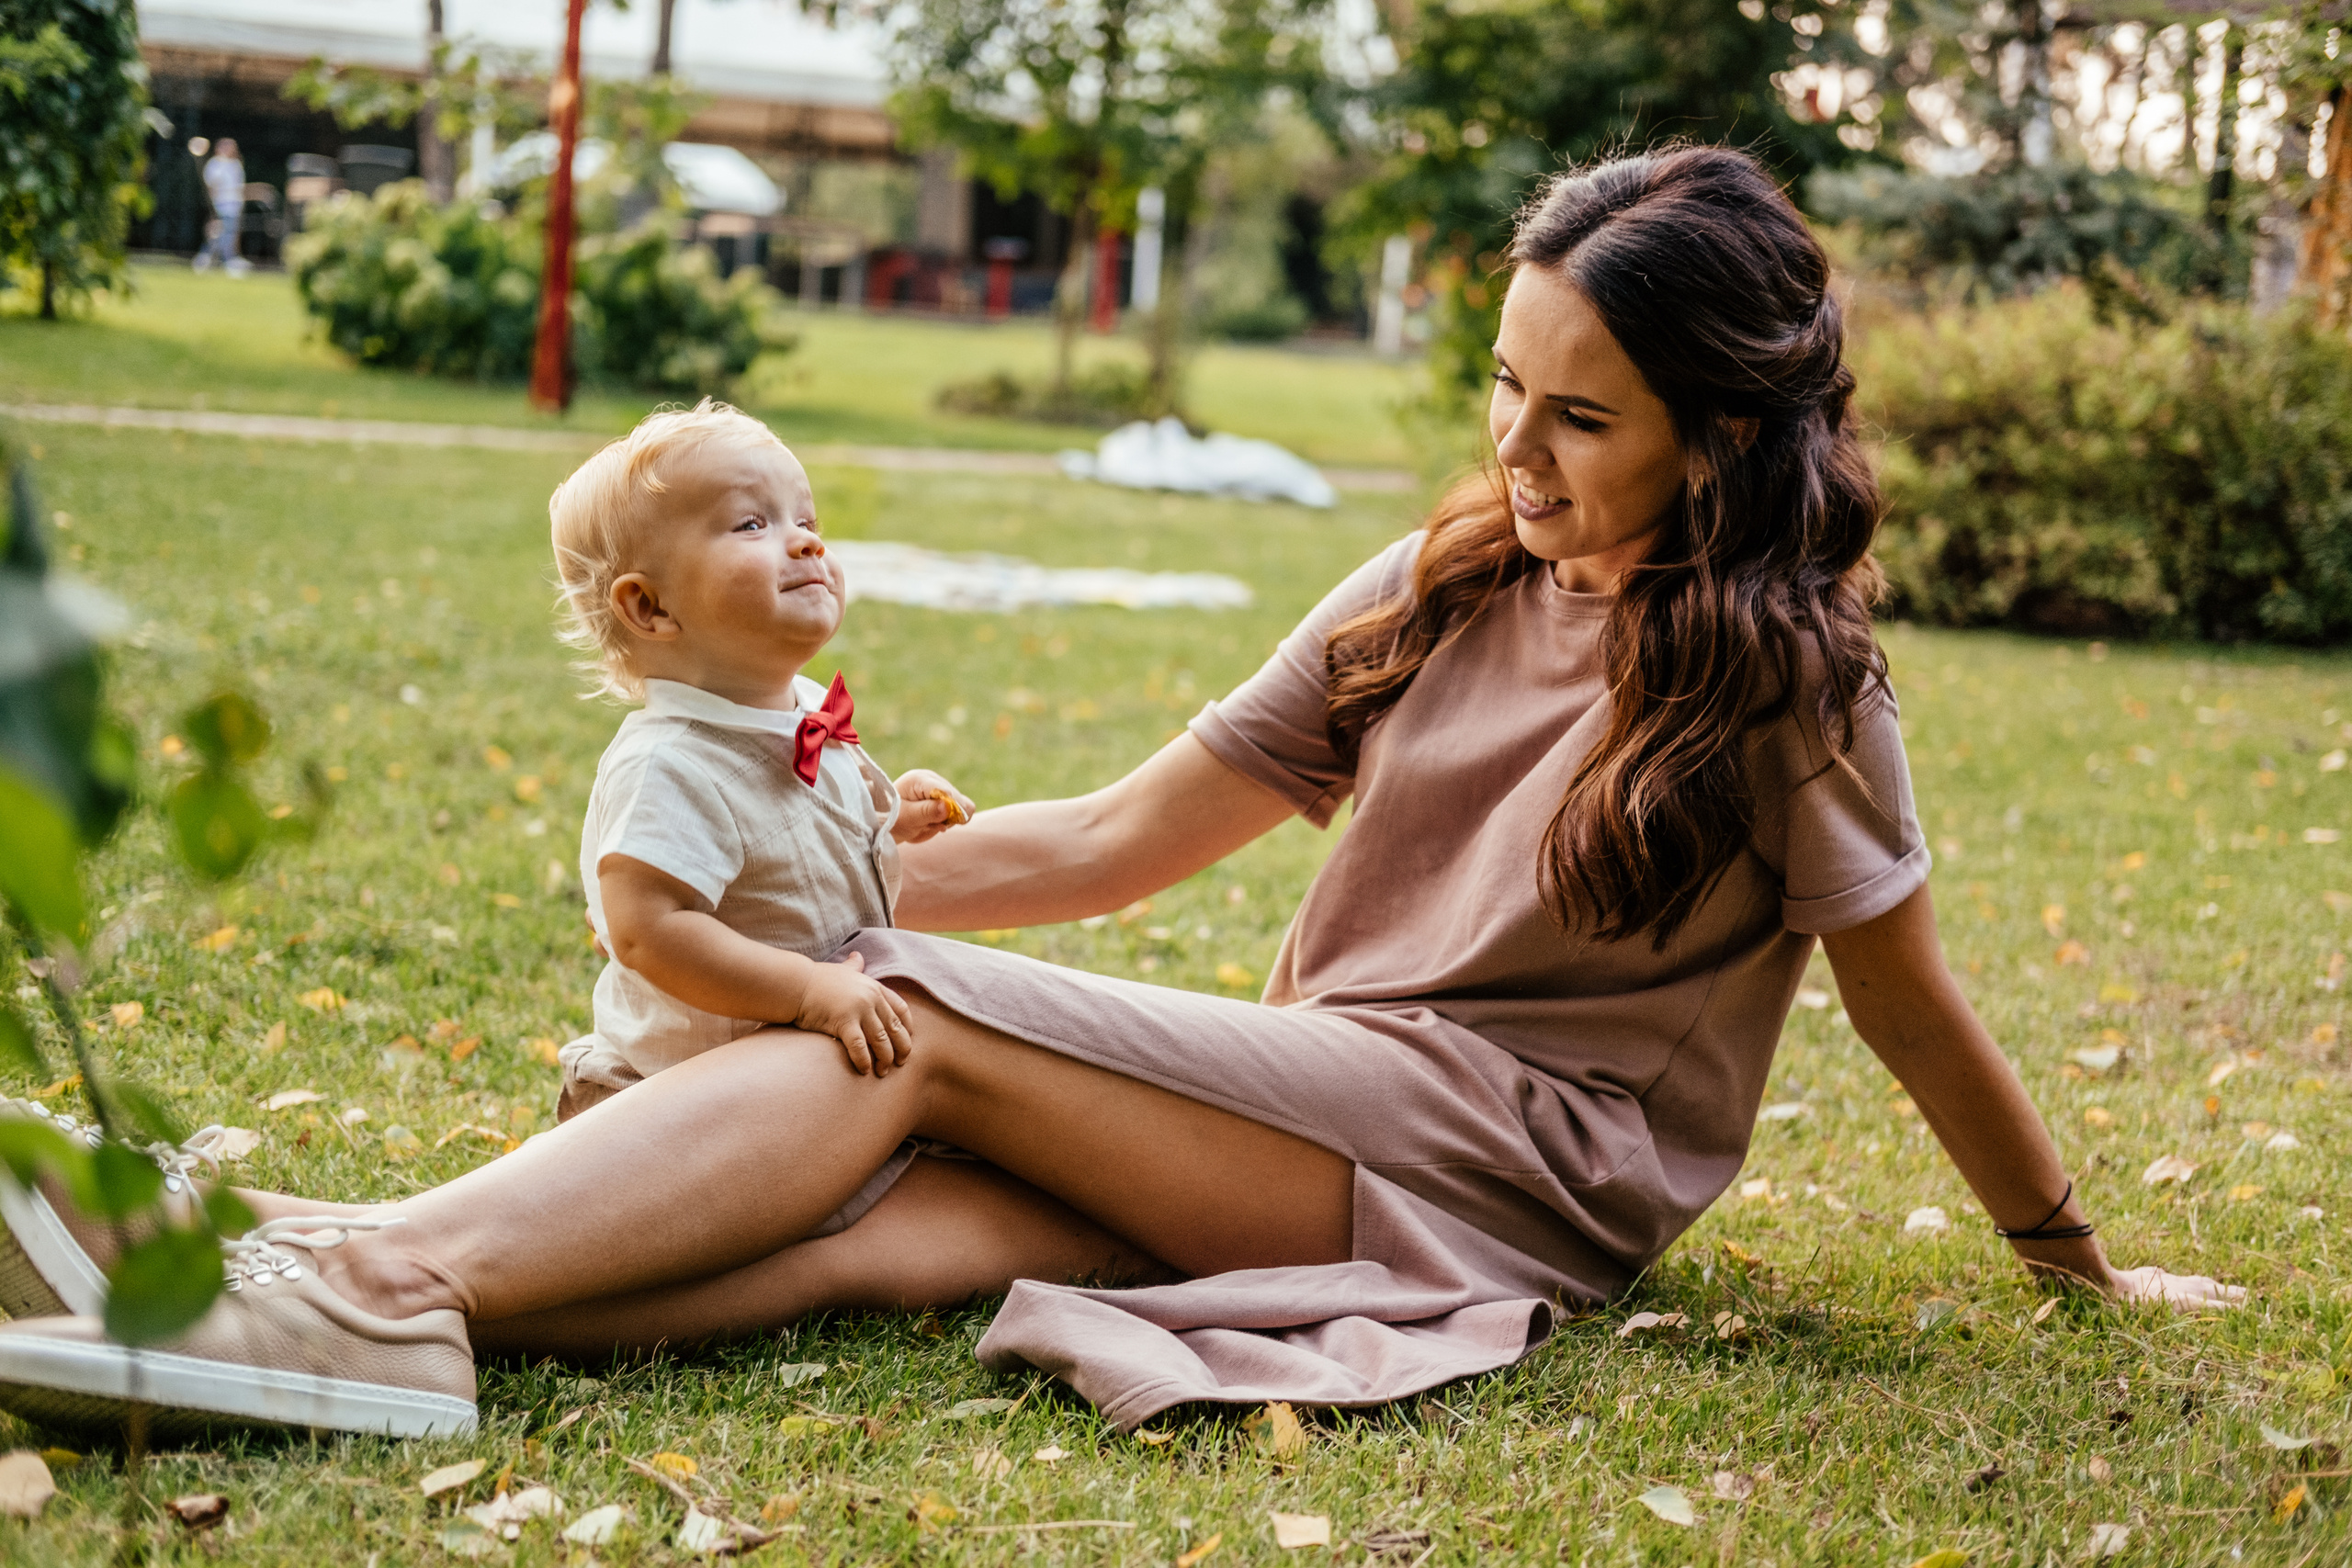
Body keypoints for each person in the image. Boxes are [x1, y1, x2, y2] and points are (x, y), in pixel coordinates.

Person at [0, 147, 2241, 1442]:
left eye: (1580, 414)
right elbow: (1101, 838)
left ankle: (360, 1281)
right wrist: (819, 851)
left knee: (904, 1010)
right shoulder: (1441, 578)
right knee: (900, 1217)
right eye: (1503, 388)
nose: (1516, 453)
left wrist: (2071, 1259)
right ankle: (267, 1294)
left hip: (1517, 1170)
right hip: (1324, 1111)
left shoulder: (1791, 682)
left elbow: (1907, 997)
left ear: (1719, 431)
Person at [543, 401, 974, 1122]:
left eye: (807, 522)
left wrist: (890, 810)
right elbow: (649, 929)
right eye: (753, 524)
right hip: (666, 1105)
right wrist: (807, 988)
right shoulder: (670, 765)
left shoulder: (798, 707)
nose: (805, 544)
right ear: (650, 606)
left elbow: (789, 833)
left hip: (783, 1081)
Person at [195, 138, 247, 276]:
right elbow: (213, 185)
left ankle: (210, 259)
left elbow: (238, 187)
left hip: (234, 205)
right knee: (220, 234)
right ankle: (219, 260)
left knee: (227, 235)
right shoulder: (215, 164)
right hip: (221, 205)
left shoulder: (236, 164)